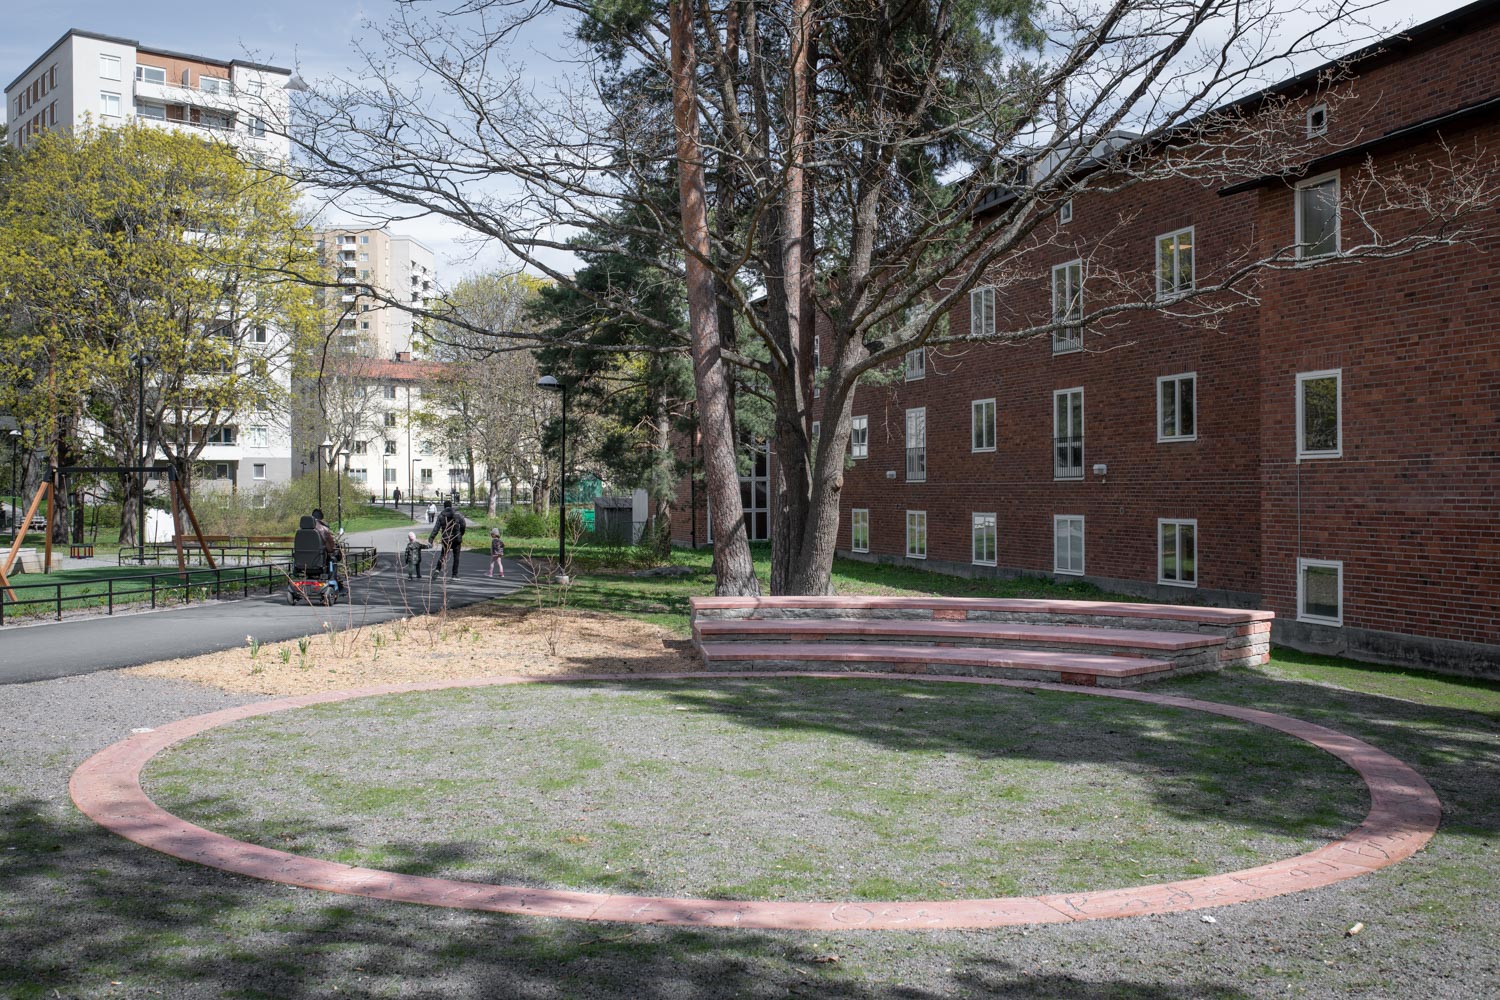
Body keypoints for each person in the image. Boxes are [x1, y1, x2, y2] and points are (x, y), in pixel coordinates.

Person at [428, 499, 466, 578]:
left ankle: (437, 570)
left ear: (444, 506)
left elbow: (436, 528)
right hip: (456, 538)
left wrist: (431, 539)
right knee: (456, 557)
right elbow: (463, 524)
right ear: (451, 506)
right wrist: (461, 533)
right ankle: (454, 574)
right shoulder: (457, 514)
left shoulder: (441, 515)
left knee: (443, 555)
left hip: (446, 539)